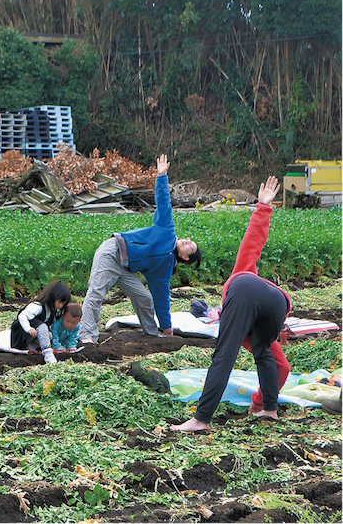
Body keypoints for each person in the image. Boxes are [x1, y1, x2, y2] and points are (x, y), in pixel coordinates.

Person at [171, 176, 291, 432]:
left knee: (223, 357)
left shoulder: (239, 290)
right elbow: (283, 367)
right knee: (265, 354)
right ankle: (270, 411)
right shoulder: (260, 333)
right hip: (279, 303)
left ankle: (200, 420)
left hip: (245, 288)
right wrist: (258, 402)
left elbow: (251, 243)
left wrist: (264, 206)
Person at [79, 154, 201, 343]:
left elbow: (161, 297)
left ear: (186, 258)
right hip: (113, 252)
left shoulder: (164, 268)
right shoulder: (167, 230)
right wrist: (161, 176)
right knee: (96, 294)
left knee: (145, 298)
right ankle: (86, 338)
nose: (186, 241)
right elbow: (163, 203)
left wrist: (167, 327)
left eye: (190, 247)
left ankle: (151, 337)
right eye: (188, 240)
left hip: (125, 269)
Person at [10, 280, 71, 364]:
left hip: (33, 336)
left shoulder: (52, 311)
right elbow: (22, 316)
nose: (60, 306)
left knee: (49, 335)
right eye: (59, 302)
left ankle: (34, 347)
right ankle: (47, 352)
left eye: (63, 304)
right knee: (42, 327)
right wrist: (28, 328)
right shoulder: (37, 306)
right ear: (52, 296)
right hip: (22, 334)